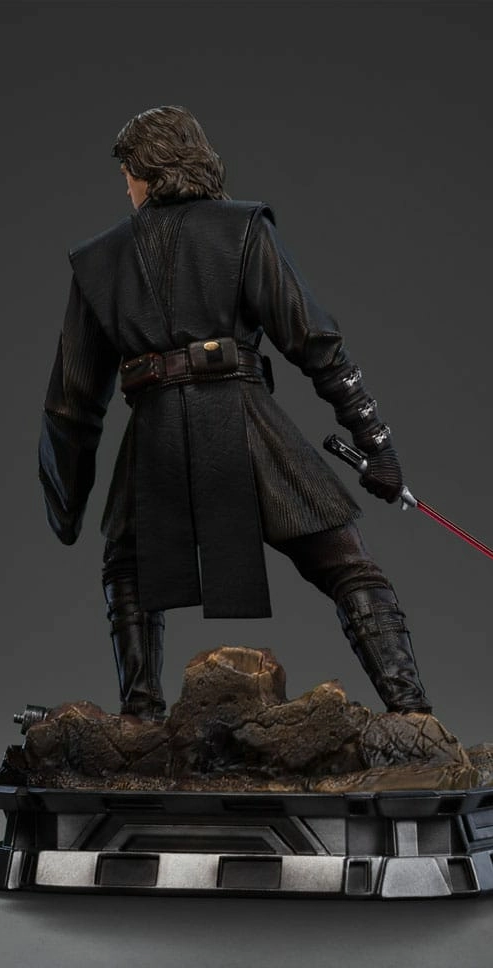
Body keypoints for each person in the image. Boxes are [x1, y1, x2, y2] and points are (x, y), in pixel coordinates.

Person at [39, 106, 432, 721]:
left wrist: (66, 505)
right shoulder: (243, 229)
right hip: (246, 428)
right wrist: (376, 443)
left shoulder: (104, 258)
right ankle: (413, 715)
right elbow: (316, 342)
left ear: (148, 170)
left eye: (128, 174)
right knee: (349, 566)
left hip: (157, 439)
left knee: (128, 571)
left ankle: (140, 715)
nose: (127, 188)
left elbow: (72, 404)